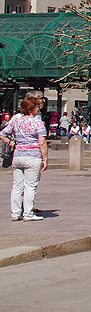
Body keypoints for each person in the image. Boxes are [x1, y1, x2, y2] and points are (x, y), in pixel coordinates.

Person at [0, 91, 48, 221]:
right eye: (37, 107)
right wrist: (45, 159)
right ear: (32, 108)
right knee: (30, 186)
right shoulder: (37, 123)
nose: (39, 108)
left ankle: (15, 213)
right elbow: (42, 142)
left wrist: (12, 144)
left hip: (18, 155)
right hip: (33, 155)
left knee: (17, 186)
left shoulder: (16, 121)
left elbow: (2, 134)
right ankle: (28, 213)